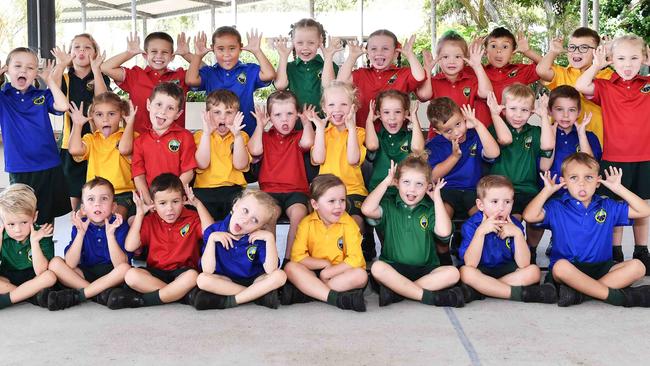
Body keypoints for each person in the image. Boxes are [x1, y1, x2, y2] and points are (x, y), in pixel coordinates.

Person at [523, 153, 650, 307]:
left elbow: (644, 211)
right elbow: (529, 216)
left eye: (588, 177)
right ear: (564, 182)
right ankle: (618, 297)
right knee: (560, 267)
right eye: (574, 178)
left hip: (601, 267)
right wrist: (546, 191)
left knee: (638, 266)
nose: (581, 184)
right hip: (569, 268)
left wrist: (619, 188)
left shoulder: (607, 205)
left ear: (598, 182)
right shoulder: (557, 206)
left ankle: (581, 294)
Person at [575, 35, 650, 269]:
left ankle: (641, 250)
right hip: (614, 157)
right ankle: (615, 250)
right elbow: (580, 86)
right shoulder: (606, 86)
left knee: (642, 205)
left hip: (645, 157)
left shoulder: (646, 84)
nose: (627, 64)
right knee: (615, 205)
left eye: (634, 58)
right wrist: (597, 65)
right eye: (621, 58)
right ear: (611, 59)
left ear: (644, 59)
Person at [362, 156, 465, 307]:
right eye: (406, 182)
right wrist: (385, 182)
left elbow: (444, 232)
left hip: (426, 269)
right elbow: (366, 209)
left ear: (428, 187)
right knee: (377, 268)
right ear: (396, 183)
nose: (412, 189)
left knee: (453, 273)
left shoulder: (430, 208)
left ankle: (398, 292)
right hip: (393, 267)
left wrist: (437, 199)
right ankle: (428, 297)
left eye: (419, 184)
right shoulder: (389, 204)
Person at [106, 173, 203, 309]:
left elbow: (210, 233)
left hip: (183, 271)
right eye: (162, 203)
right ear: (154, 205)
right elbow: (130, 246)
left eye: (175, 201)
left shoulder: (192, 218)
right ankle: (180, 294)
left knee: (193, 276)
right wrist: (140, 214)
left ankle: (143, 300)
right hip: (156, 273)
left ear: (183, 199)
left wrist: (198, 205)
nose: (170, 208)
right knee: (131, 275)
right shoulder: (149, 221)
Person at [459, 175, 557, 304]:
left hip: (507, 271)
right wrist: (480, 232)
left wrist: (517, 234)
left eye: (507, 202)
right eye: (494, 202)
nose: (501, 207)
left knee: (534, 271)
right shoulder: (472, 226)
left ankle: (481, 290)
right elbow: (471, 263)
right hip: (481, 270)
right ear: (480, 205)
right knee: (466, 272)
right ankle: (519, 294)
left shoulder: (514, 225)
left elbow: (523, 264)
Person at [0, 47, 70, 225]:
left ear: (35, 74)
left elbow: (62, 106)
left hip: (48, 165)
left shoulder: (42, 95)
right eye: (17, 66)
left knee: (45, 218)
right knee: (21, 216)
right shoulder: (3, 98)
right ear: (7, 69)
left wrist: (50, 81)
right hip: (20, 167)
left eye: (30, 68)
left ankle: (46, 250)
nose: (23, 70)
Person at [487, 83, 555, 258]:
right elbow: (505, 139)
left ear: (532, 110)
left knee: (538, 218)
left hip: (529, 189)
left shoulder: (535, 131)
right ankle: (509, 252)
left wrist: (544, 117)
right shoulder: (495, 129)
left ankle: (530, 250)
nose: (518, 115)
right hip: (503, 191)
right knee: (513, 220)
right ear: (503, 108)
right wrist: (495, 114)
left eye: (524, 110)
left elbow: (548, 145)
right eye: (513, 109)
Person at [282, 174, 368, 312]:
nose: (338, 206)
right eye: (332, 201)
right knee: (290, 267)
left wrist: (329, 272)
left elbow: (355, 259)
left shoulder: (349, 224)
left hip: (341, 273)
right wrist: (324, 265)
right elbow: (298, 257)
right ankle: (335, 297)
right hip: (315, 272)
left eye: (342, 200)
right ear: (315, 204)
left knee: (361, 276)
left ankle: (308, 291)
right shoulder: (306, 224)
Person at [46, 178, 131, 310]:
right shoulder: (80, 224)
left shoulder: (119, 224)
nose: (97, 204)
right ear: (83, 208)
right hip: (86, 274)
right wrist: (80, 233)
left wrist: (110, 234)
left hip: (111, 274)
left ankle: (81, 294)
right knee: (55, 263)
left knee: (125, 269)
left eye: (104, 199)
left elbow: (120, 265)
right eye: (91, 199)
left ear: (113, 207)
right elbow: (70, 263)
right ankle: (97, 294)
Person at [249, 90, 314, 263]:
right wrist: (259, 126)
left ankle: (288, 260)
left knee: (299, 214)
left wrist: (307, 123)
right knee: (269, 215)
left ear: (297, 115)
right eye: (278, 115)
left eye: (290, 114)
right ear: (269, 116)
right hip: (270, 192)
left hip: (296, 191)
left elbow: (308, 143)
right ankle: (270, 261)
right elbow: (254, 150)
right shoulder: (264, 137)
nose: (284, 119)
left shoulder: (298, 137)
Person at [193, 190, 286, 310]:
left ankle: (233, 300)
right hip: (226, 281)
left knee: (280, 276)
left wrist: (270, 239)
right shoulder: (214, 231)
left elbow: (271, 269)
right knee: (202, 280)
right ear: (236, 205)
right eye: (245, 211)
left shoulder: (259, 238)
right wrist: (211, 240)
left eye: (255, 220)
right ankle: (257, 295)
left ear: (260, 227)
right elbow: (207, 270)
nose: (245, 220)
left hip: (254, 280)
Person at [50, 33, 110, 210]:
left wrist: (97, 69)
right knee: (73, 189)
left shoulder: (100, 76)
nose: (81, 51)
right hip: (71, 141)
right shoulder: (66, 78)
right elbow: (51, 88)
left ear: (95, 53)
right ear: (70, 52)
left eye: (87, 47)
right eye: (76, 47)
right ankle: (75, 225)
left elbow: (103, 99)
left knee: (96, 187)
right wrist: (61, 65)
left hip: (97, 140)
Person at [308, 81, 368, 253]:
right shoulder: (323, 134)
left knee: (355, 220)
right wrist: (319, 129)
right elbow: (318, 158)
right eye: (332, 104)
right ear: (324, 108)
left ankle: (354, 253)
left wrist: (350, 127)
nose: (338, 109)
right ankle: (329, 254)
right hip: (326, 192)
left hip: (352, 190)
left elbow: (353, 158)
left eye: (344, 104)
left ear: (353, 108)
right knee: (323, 223)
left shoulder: (358, 133)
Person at [186, 26, 276, 136]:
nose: (226, 54)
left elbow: (270, 74)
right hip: (217, 137)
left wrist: (257, 51)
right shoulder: (209, 73)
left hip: (247, 134)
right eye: (221, 49)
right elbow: (190, 81)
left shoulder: (248, 70)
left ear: (240, 48)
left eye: (232, 48)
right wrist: (198, 55)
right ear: (212, 48)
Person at [101, 31, 192, 133]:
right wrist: (129, 53)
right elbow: (105, 67)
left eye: (164, 52)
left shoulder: (181, 76)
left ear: (172, 56)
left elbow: (208, 73)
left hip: (174, 141)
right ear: (145, 55)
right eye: (154, 51)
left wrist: (187, 55)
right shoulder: (135, 76)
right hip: (140, 140)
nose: (159, 56)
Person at [536, 27, 613, 144]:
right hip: (561, 143)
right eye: (572, 47)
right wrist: (553, 51)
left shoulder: (608, 76)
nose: (576, 51)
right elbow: (541, 70)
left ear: (596, 51)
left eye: (584, 47)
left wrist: (609, 57)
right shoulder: (563, 73)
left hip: (597, 141)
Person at [427, 97, 500, 221]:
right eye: (448, 131)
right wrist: (454, 157)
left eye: (458, 124)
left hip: (472, 190)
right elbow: (433, 176)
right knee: (441, 219)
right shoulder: (434, 145)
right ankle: (443, 240)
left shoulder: (475, 135)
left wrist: (477, 124)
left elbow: (494, 153)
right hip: (446, 190)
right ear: (438, 131)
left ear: (463, 116)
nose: (456, 132)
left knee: (483, 220)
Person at [67, 92, 137, 220]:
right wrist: (77, 125)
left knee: (115, 218)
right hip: (95, 195)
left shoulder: (129, 137)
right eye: (99, 114)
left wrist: (130, 123)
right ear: (92, 116)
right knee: (78, 217)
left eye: (111, 114)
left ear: (121, 115)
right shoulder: (91, 139)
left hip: (122, 194)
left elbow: (125, 149)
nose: (105, 119)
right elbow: (74, 149)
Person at [336, 30, 425, 127]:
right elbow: (340, 83)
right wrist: (352, 57)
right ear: (367, 53)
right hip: (363, 136)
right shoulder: (361, 73)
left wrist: (410, 55)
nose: (379, 52)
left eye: (385, 48)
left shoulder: (403, 73)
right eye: (373, 48)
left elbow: (420, 77)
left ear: (395, 53)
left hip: (396, 137)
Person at [131, 82, 197, 206]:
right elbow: (138, 176)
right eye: (159, 104)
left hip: (175, 201)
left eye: (170, 108)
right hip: (150, 201)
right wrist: (150, 202)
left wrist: (169, 198)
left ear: (178, 114)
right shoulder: (140, 141)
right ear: (148, 105)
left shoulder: (185, 136)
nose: (163, 111)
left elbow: (188, 172)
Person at [416, 31, 493, 132]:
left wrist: (477, 65)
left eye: (457, 57)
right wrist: (427, 69)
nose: (452, 61)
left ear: (465, 59)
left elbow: (487, 93)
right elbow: (423, 95)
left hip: (466, 134)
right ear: (438, 59)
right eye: (446, 57)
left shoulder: (470, 80)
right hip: (441, 137)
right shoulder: (434, 81)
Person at [192, 90, 249, 221]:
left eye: (229, 113)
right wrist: (207, 133)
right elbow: (202, 164)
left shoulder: (242, 136)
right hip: (204, 190)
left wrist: (238, 136)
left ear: (237, 115)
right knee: (204, 224)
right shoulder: (200, 136)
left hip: (233, 189)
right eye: (217, 112)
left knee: (236, 221)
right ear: (207, 115)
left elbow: (240, 164)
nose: (223, 118)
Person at [0, 184, 56, 309]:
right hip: (9, 277)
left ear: (34, 217)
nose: (17, 230)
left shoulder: (42, 234)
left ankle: (8, 299)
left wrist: (35, 242)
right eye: (11, 224)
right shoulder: (2, 236)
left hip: (33, 277)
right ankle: (31, 296)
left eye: (24, 222)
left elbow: (41, 271)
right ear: (3, 221)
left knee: (49, 277)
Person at [274, 18, 340, 112]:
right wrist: (283, 57)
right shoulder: (289, 67)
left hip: (323, 122)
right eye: (300, 43)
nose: (305, 47)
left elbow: (329, 86)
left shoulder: (329, 65)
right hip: (296, 122)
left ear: (320, 41)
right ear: (293, 42)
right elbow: (280, 86)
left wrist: (328, 57)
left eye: (311, 43)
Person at [365, 89, 425, 192]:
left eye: (397, 112)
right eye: (386, 112)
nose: (392, 117)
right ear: (379, 114)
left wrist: (415, 120)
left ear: (405, 114)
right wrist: (369, 121)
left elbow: (418, 148)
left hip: (405, 192)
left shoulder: (410, 137)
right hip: (379, 191)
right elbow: (371, 146)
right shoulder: (377, 138)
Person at [546, 85, 602, 181]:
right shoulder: (542, 135)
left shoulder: (589, 137)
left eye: (572, 110)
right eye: (559, 109)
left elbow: (591, 168)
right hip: (550, 193)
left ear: (579, 112)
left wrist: (581, 135)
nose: (566, 115)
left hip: (581, 193)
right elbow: (543, 167)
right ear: (550, 111)